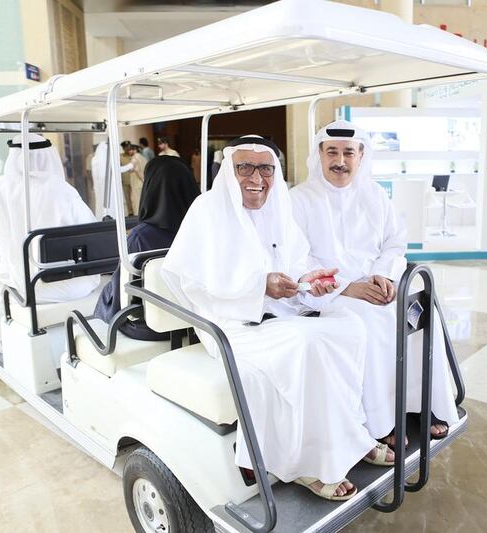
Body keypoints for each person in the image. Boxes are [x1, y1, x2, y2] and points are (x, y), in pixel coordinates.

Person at [160, 136, 394, 501]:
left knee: (349, 327)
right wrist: (257, 287)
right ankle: (307, 467)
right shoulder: (207, 209)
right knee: (307, 344)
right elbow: (188, 280)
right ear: (229, 171)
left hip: (282, 314)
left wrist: (307, 282)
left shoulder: (278, 206)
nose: (257, 177)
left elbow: (298, 263)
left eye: (265, 168)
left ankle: (349, 436)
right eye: (245, 168)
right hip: (230, 324)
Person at [291, 120, 459, 448]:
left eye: (348, 153)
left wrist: (384, 274)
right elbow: (299, 259)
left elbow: (395, 242)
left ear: (361, 155)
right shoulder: (300, 199)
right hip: (332, 292)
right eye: (333, 152)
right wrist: (347, 286)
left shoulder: (375, 194)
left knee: (423, 314)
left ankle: (426, 404)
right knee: (369, 321)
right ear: (320, 154)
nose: (340, 160)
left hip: (379, 284)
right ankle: (380, 422)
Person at [0, 134, 101, 342]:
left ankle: (1, 339)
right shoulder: (64, 191)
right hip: (78, 286)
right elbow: (92, 231)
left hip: (32, 287)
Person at [94, 156, 199, 340]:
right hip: (198, 324)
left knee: (107, 292)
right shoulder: (203, 230)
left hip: (149, 329)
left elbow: (121, 298)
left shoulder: (140, 237)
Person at [90, 141, 133, 218]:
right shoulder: (108, 161)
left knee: (103, 205)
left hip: (100, 188)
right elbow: (117, 170)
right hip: (110, 188)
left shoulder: (94, 160)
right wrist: (131, 165)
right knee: (112, 206)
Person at [122, 141, 147, 215]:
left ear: (134, 150)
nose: (129, 151)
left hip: (137, 182)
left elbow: (135, 169)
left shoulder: (135, 157)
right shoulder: (142, 157)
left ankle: (138, 217)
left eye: (130, 149)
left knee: (136, 201)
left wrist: (117, 169)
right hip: (141, 183)